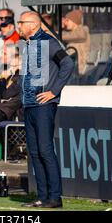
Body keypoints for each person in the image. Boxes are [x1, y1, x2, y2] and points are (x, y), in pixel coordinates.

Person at [17, 11, 73, 208]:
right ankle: (42, 196)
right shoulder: (28, 44)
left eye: (21, 22)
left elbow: (67, 63)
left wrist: (53, 92)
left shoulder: (48, 42)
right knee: (34, 152)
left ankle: (55, 197)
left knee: (46, 150)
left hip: (43, 105)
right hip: (29, 105)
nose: (18, 26)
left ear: (32, 25)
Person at [61, 9, 90, 75]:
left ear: (74, 21)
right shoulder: (69, 33)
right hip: (73, 68)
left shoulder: (83, 30)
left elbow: (75, 36)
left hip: (80, 68)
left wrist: (57, 33)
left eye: (67, 20)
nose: (66, 22)